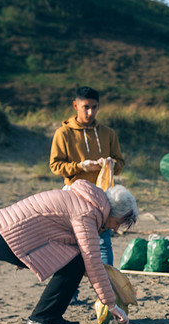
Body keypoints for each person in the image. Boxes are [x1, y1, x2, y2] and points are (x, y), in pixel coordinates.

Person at [0, 182, 138, 324]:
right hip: (6, 238)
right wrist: (111, 305)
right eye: (118, 223)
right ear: (111, 212)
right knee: (77, 263)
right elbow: (92, 261)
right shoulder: (87, 213)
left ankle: (52, 317)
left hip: (8, 234)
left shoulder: (90, 201)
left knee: (75, 261)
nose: (116, 229)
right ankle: (40, 319)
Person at [49, 86, 126, 266]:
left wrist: (112, 164)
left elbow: (120, 163)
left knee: (103, 244)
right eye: (86, 107)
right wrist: (81, 166)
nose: (90, 112)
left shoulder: (108, 133)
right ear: (75, 105)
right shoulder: (63, 133)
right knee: (72, 245)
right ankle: (71, 294)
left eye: (94, 107)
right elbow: (55, 166)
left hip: (103, 196)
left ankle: (108, 292)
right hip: (74, 196)